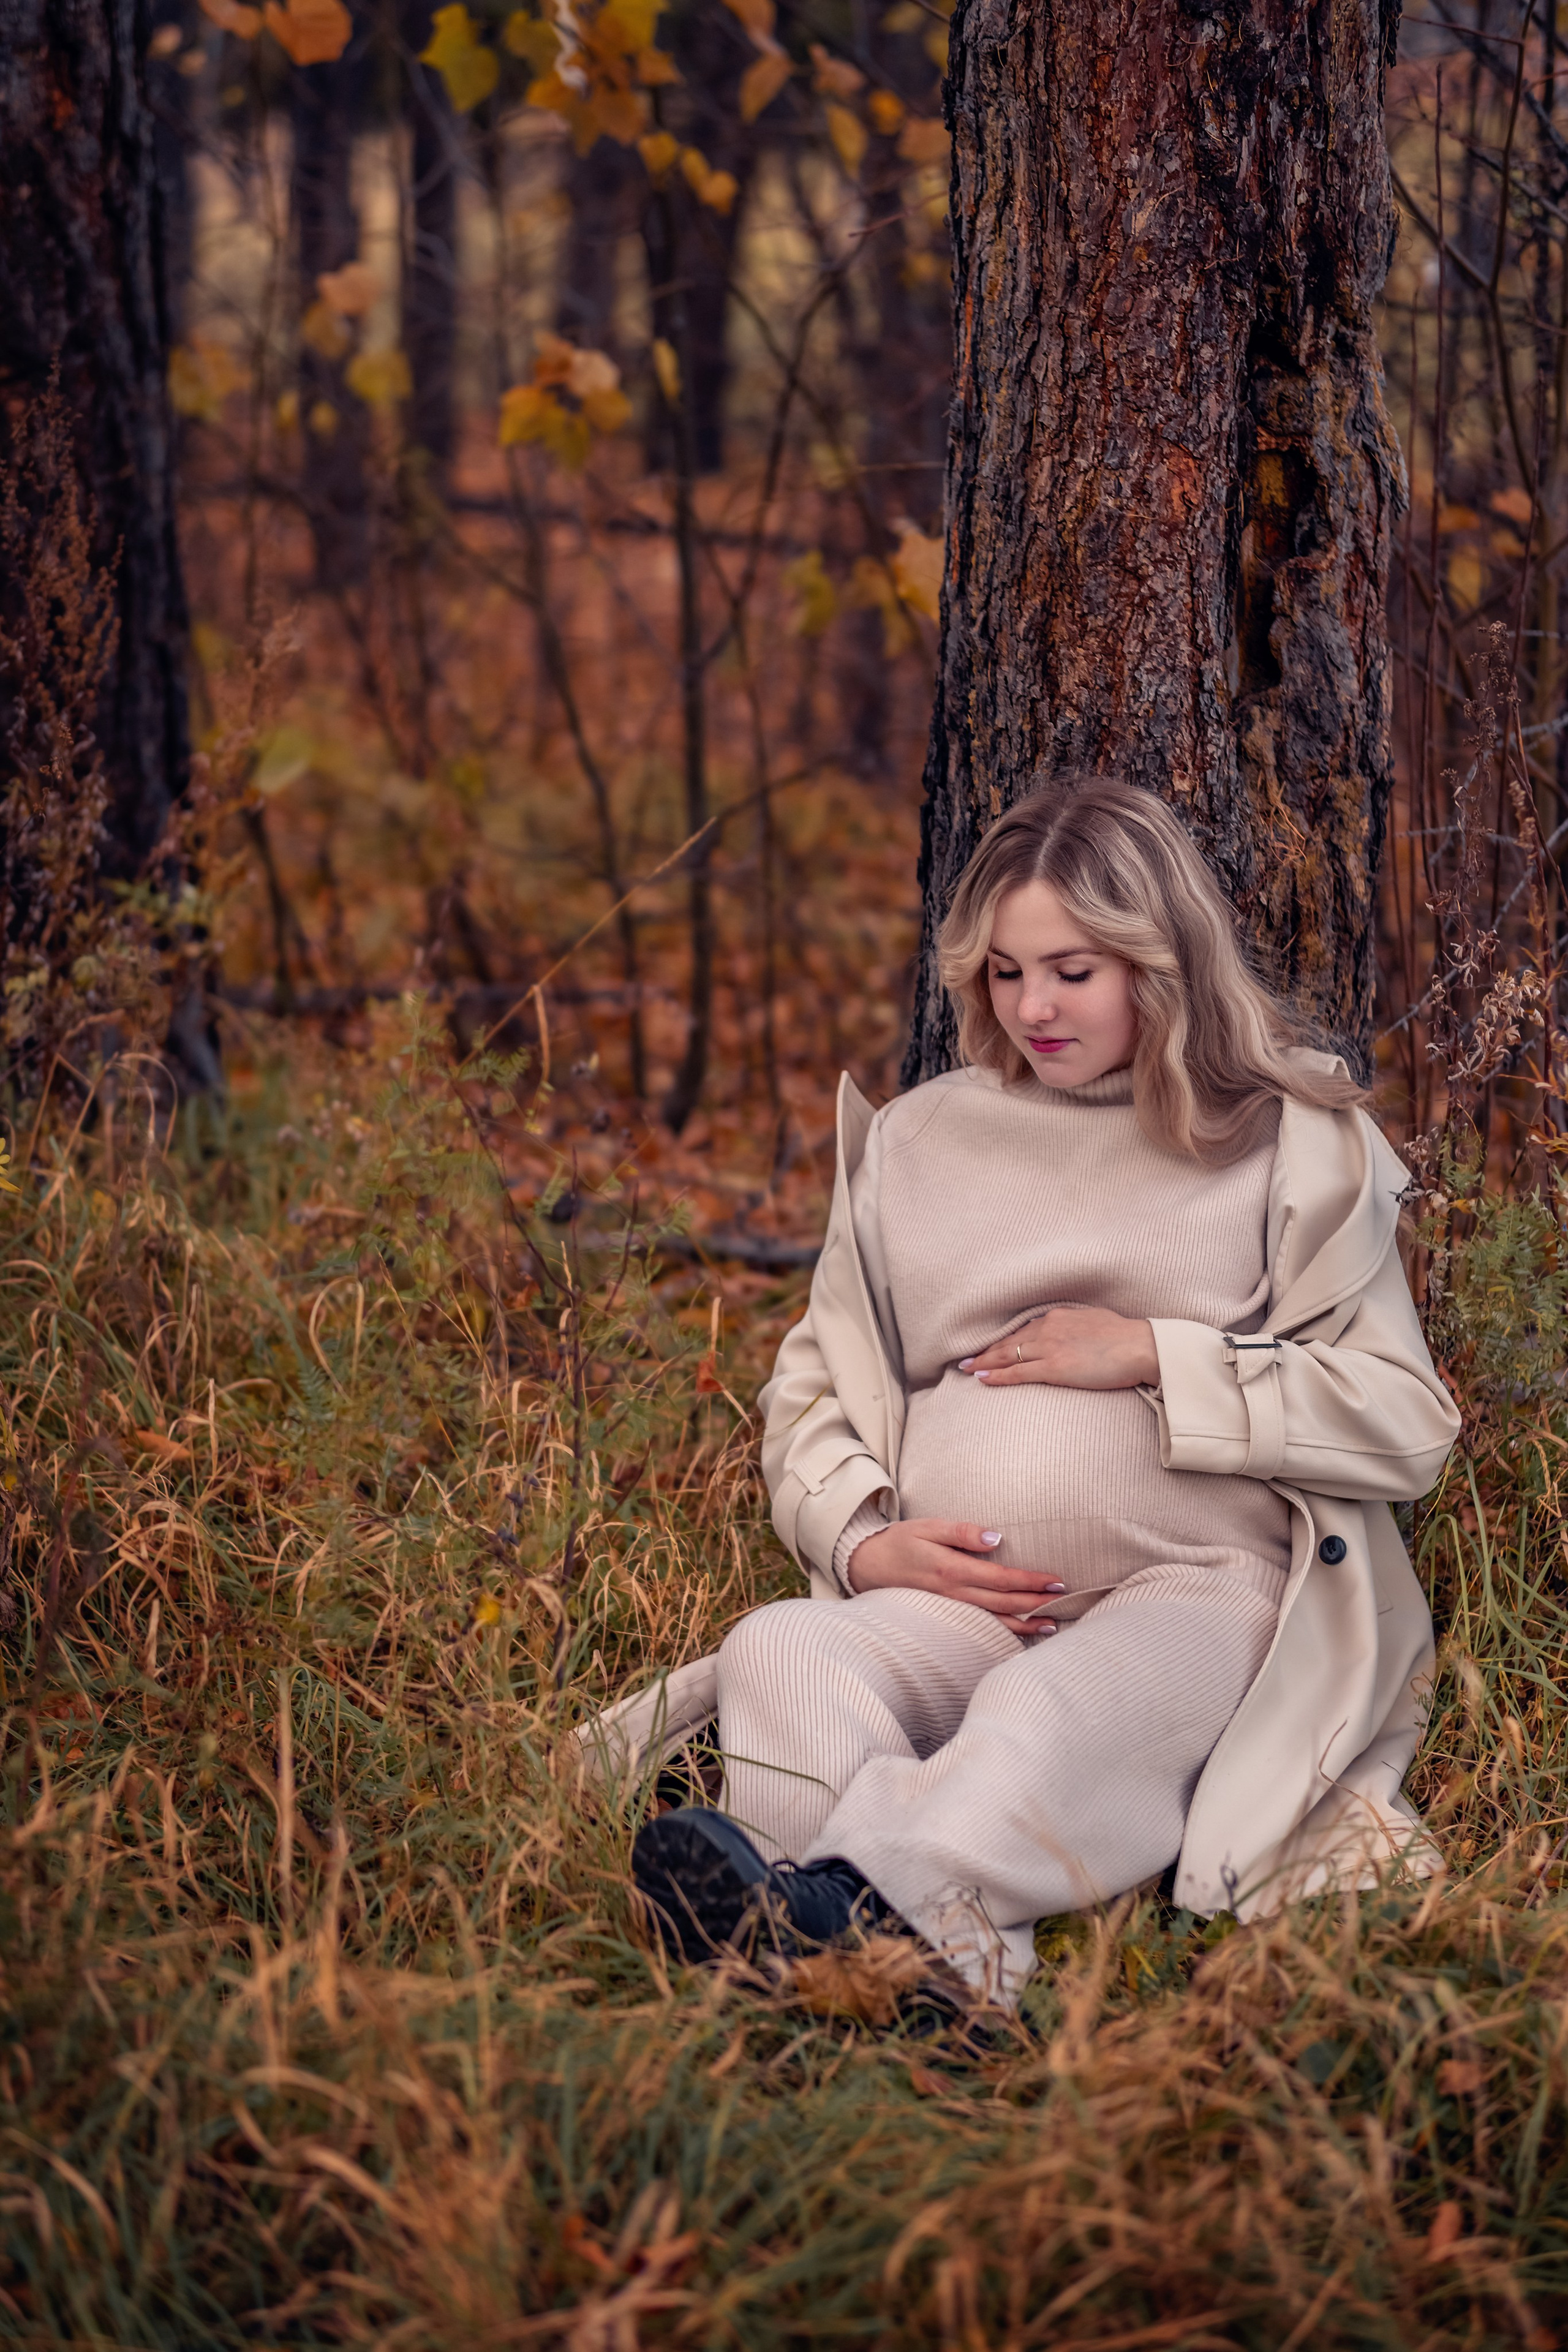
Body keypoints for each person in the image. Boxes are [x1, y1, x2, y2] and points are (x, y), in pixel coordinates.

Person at [627, 780, 1460, 2006]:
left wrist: (1150, 1355)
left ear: (1158, 962)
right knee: (781, 1649)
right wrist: (863, 1544)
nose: (1034, 1008)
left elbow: (1402, 1420)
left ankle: (830, 1920)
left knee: (1039, 1711)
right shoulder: (920, 1145)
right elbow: (810, 1386)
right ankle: (933, 1969)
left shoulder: (1282, 1138)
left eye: (1072, 971)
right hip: (964, 1606)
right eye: (1006, 974)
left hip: (1197, 1595)